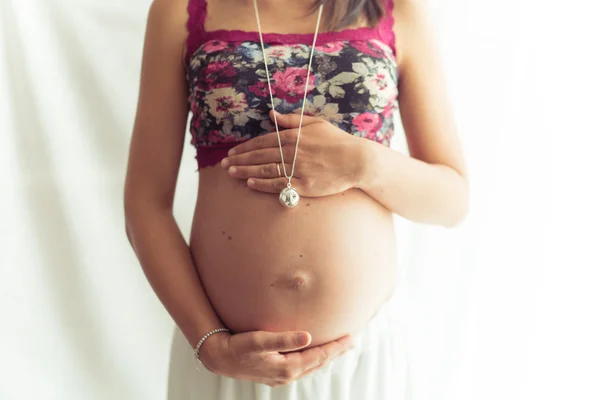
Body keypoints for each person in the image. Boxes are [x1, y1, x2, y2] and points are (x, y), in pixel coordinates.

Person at [124, 0, 468, 398]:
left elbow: (452, 198)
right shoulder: (181, 10)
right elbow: (145, 204)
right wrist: (211, 344)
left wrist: (364, 163)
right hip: (232, 363)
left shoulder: (395, 9)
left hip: (360, 361)